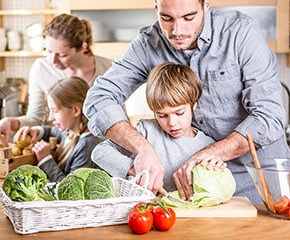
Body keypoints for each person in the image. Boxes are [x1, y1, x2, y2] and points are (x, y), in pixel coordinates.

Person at [83, 0, 290, 204]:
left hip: (260, 176)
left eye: (189, 17)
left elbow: (268, 117)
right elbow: (98, 99)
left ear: (206, 5)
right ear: (156, 9)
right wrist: (142, 150)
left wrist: (208, 154)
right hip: (195, 186)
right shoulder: (147, 45)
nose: (177, 31)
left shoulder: (240, 34)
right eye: (166, 18)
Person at [92, 62, 226, 192]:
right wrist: (135, 168)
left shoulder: (208, 146)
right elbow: (99, 152)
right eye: (162, 115)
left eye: (179, 113)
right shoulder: (146, 131)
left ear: (193, 105)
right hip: (146, 211)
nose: (172, 122)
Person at [0, 13, 113, 148]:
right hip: (64, 153)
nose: (52, 61)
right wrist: (10, 122)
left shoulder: (109, 69)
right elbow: (35, 118)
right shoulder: (41, 69)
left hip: (105, 152)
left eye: (62, 55)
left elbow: (117, 118)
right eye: (49, 51)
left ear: (83, 47)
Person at [14, 76, 102, 182]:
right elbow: (51, 131)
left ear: (75, 111)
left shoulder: (87, 146)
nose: (50, 118)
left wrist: (45, 159)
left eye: (55, 111)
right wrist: (36, 131)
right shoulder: (69, 132)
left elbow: (71, 190)